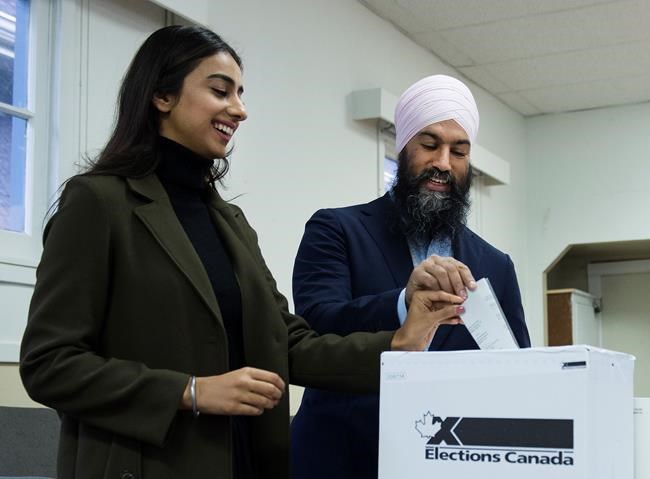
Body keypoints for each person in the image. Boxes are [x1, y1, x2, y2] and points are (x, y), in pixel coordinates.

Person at [19, 27, 466, 479]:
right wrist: (190, 391)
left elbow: (287, 343)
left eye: (240, 94)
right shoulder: (98, 203)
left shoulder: (229, 221)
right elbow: (48, 364)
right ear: (162, 96)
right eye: (220, 91)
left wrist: (400, 341)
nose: (239, 109)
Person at [289, 74, 531, 479]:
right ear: (403, 147)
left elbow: (518, 373)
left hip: (451, 464)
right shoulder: (336, 230)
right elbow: (316, 328)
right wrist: (403, 305)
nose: (443, 163)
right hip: (343, 458)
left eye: (459, 151)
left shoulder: (496, 265)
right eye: (430, 144)